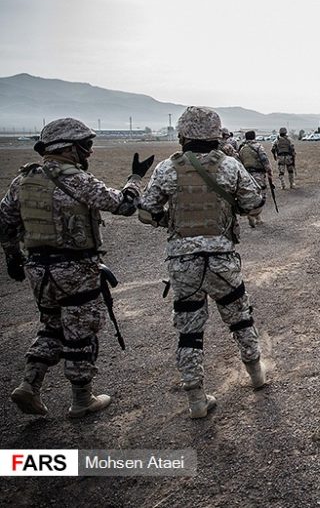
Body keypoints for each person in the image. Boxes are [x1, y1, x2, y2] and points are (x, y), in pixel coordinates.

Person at [1, 118, 153, 418]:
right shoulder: (78, 180)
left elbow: (4, 222)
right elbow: (123, 205)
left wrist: (12, 257)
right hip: (76, 270)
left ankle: (29, 385)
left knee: (51, 325)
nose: (90, 153)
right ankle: (82, 399)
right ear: (69, 149)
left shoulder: (23, 181)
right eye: (86, 146)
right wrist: (135, 178)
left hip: (38, 270)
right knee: (81, 332)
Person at [137, 106, 267, 419]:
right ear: (216, 135)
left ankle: (196, 399)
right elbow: (254, 204)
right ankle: (257, 376)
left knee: (189, 331)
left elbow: (145, 212)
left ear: (182, 135)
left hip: (183, 262)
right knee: (240, 317)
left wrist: (168, 221)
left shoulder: (167, 169)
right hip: (222, 259)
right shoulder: (231, 166)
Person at [238, 130, 273, 227]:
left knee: (250, 195)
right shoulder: (258, 147)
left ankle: (254, 216)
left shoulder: (241, 148)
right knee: (261, 195)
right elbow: (264, 159)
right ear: (254, 137)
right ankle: (255, 216)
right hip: (258, 174)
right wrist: (269, 171)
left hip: (245, 174)